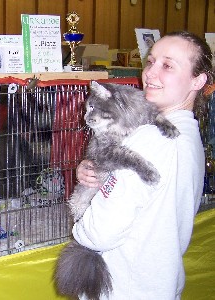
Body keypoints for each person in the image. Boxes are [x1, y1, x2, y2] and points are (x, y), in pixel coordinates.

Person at [73, 31, 214, 299]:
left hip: (125, 286)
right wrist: (100, 174)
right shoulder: (186, 132)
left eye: (168, 65)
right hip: (157, 281)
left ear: (198, 80)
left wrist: (82, 228)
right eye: (151, 62)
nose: (150, 73)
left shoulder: (153, 139)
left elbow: (100, 233)